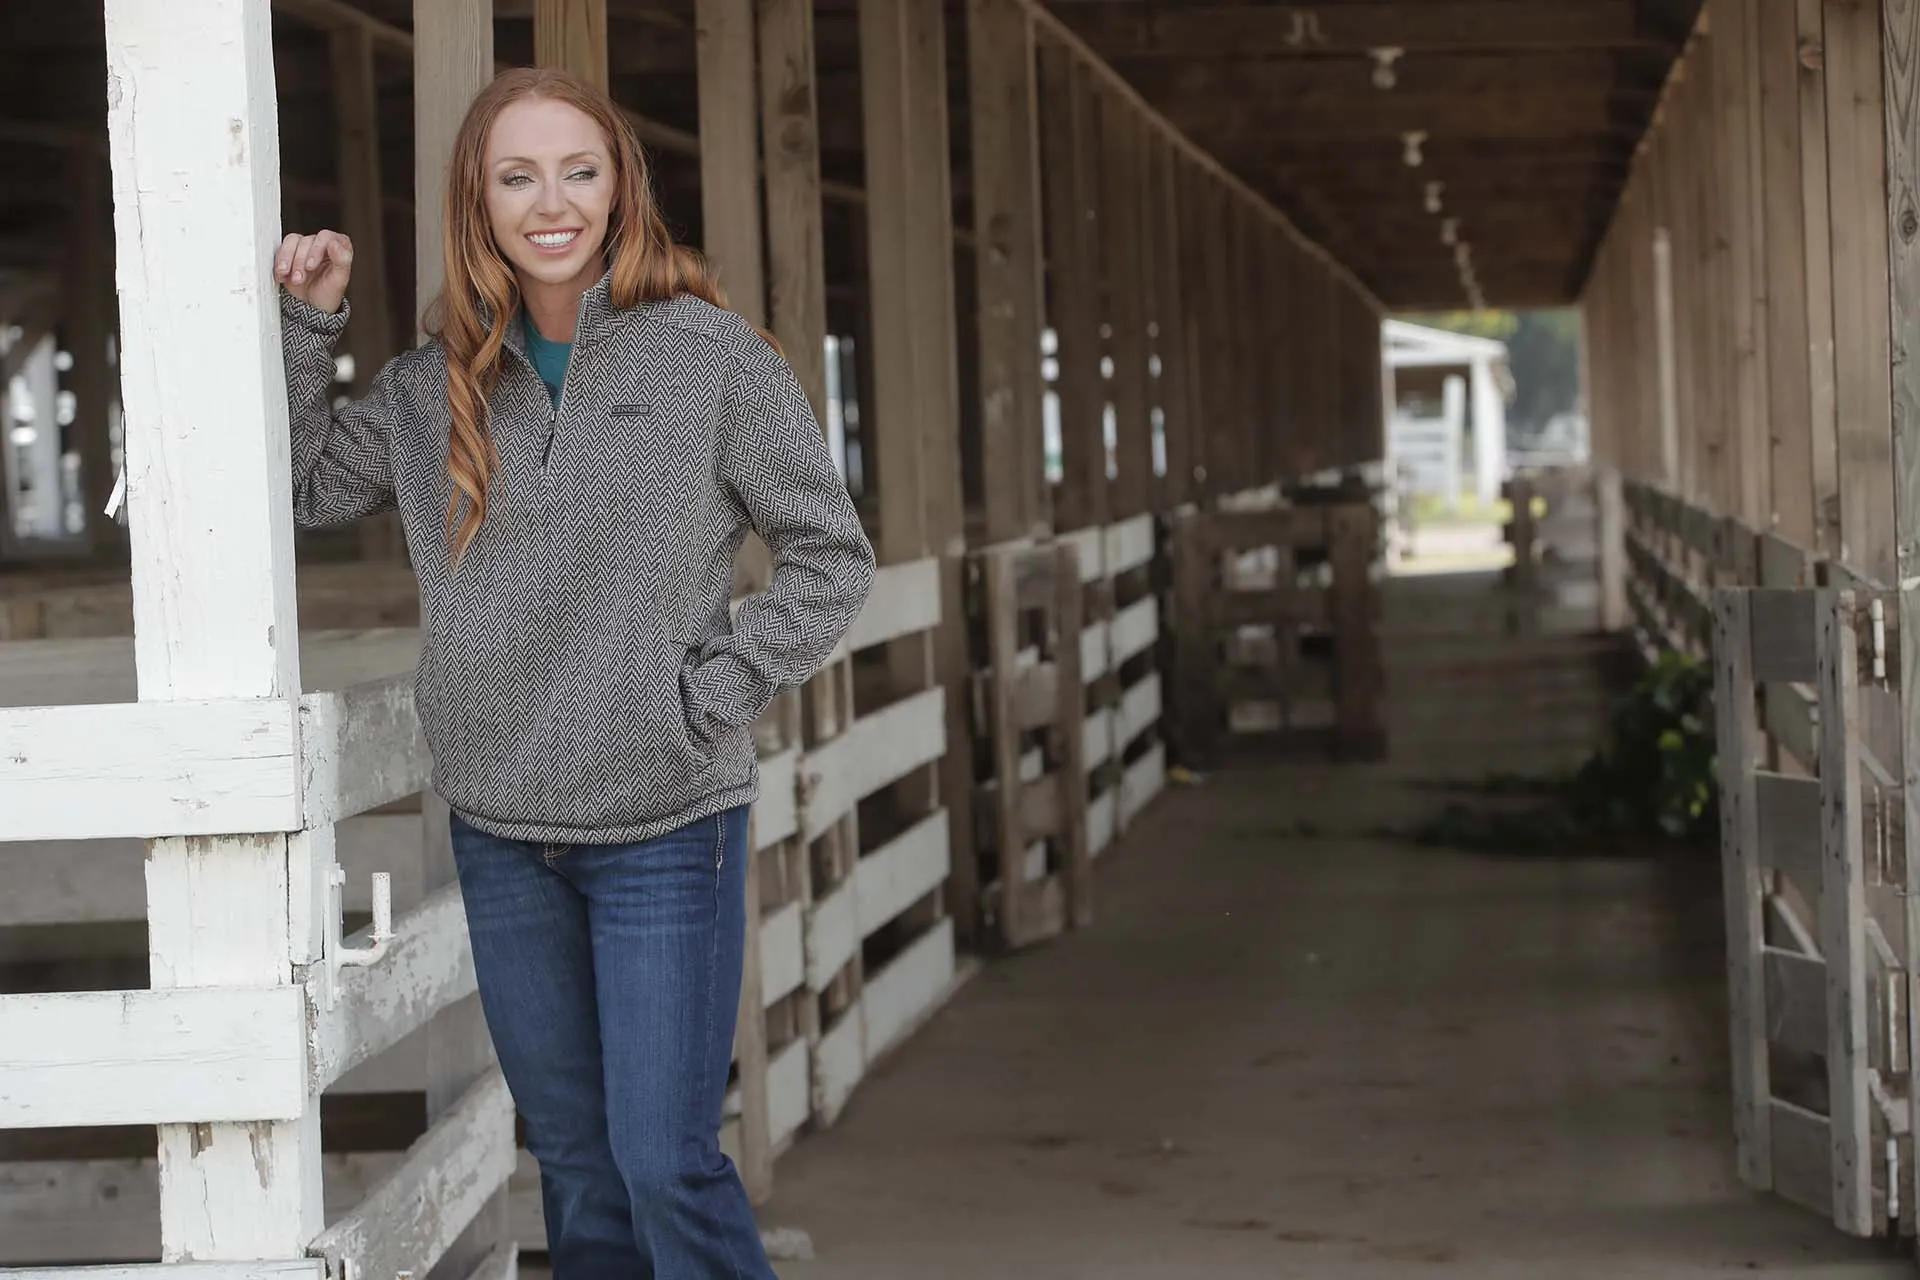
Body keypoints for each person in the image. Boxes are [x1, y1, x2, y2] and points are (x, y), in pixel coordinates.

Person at [273, 66, 874, 1278]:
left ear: (619, 189)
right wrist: (310, 328)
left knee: (664, 1159)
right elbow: (298, 490)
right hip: (503, 832)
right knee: (578, 1165)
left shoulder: (712, 360)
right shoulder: (428, 387)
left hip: (664, 825)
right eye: (517, 175)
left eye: (579, 170)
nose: (552, 201)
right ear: (477, 201)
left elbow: (830, 553)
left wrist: (705, 692)